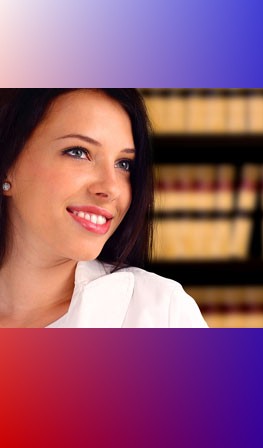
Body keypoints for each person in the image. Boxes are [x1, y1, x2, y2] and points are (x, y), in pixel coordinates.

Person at [0, 89, 207, 327]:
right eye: (78, 152)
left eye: (124, 164)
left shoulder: (160, 313)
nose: (111, 188)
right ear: (7, 165)